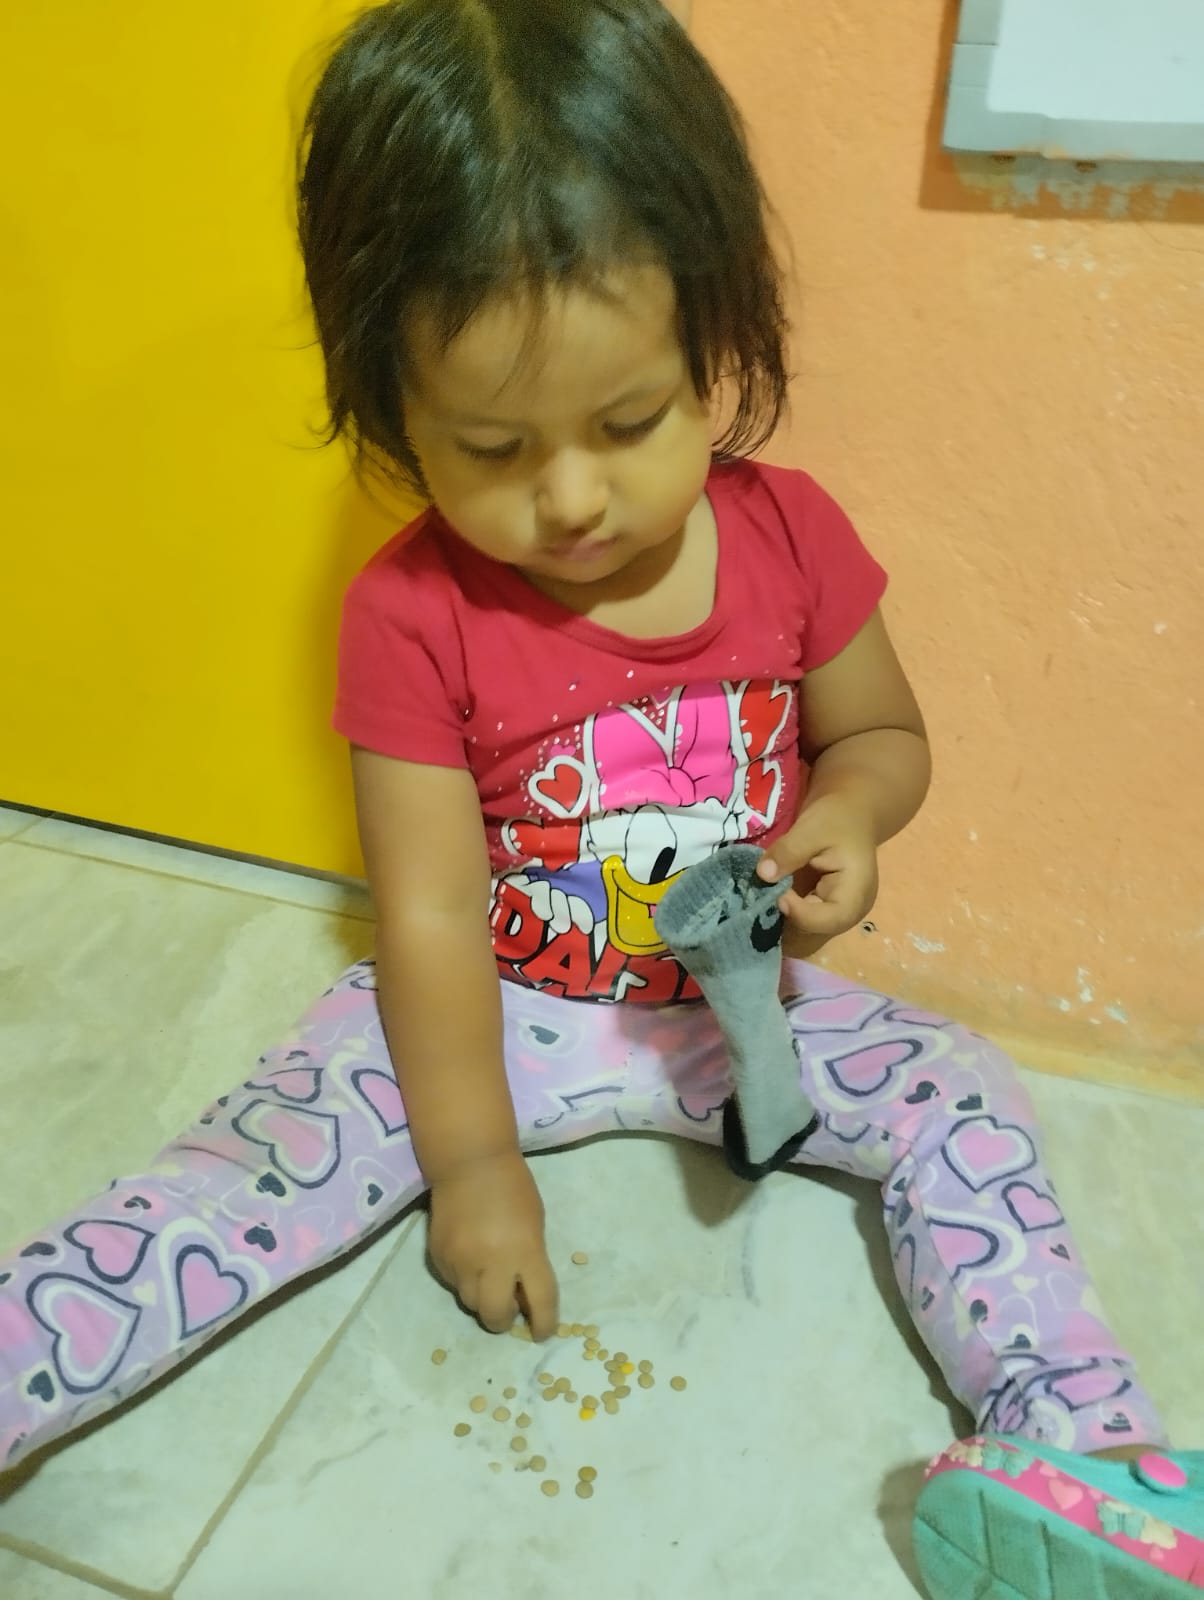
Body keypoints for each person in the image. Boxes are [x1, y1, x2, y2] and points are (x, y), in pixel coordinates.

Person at [1, 3, 1199, 1593]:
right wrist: (473, 1165)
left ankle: (1082, 1456)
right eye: (490, 447)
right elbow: (431, 913)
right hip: (490, 1007)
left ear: (714, 343)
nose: (569, 500)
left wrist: (846, 820)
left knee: (965, 1092)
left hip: (734, 1007)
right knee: (242, 1172)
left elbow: (882, 737)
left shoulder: (790, 534)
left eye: (627, 424)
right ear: (392, 404)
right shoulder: (408, 612)